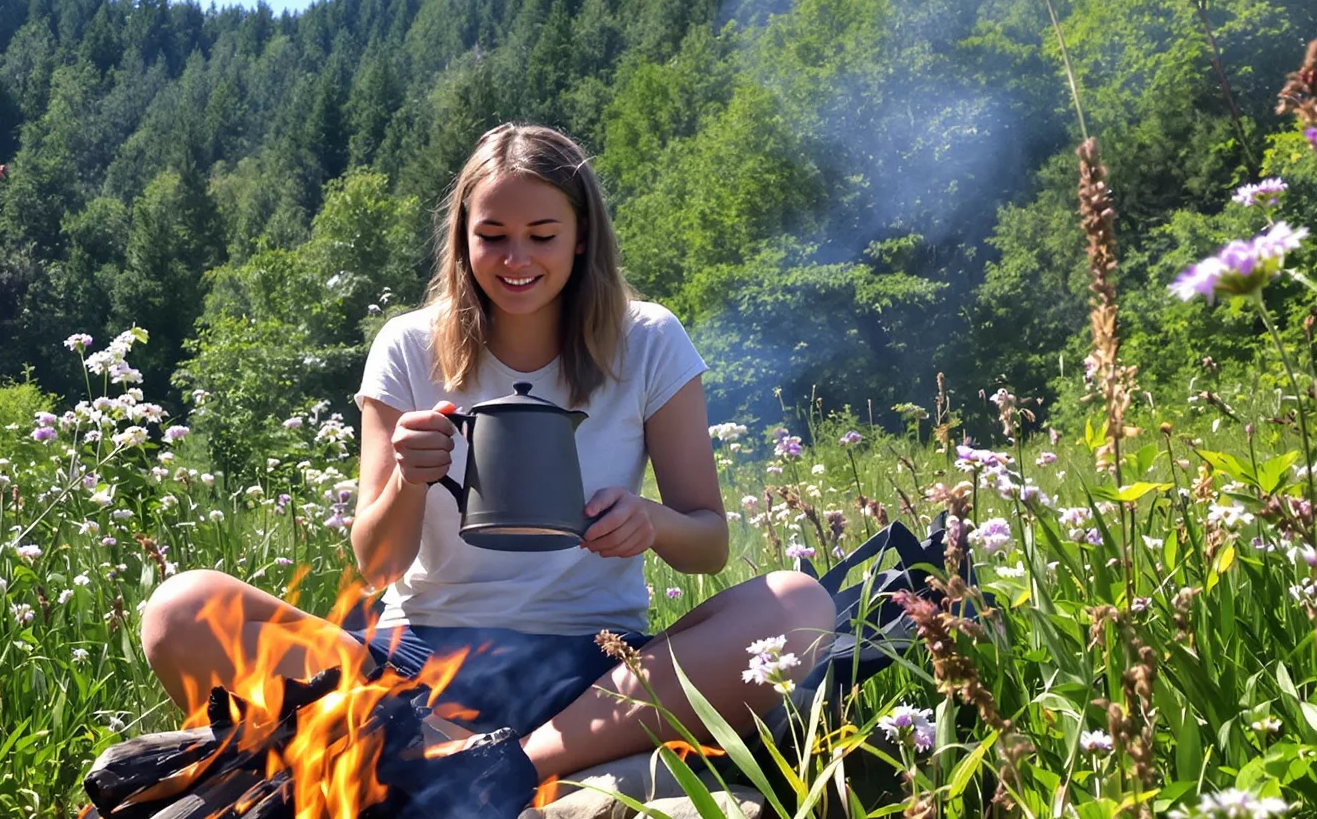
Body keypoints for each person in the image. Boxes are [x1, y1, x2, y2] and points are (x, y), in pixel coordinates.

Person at [140, 122, 838, 781]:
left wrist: (651, 522)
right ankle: (448, 754)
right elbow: (376, 565)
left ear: (582, 236)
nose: (516, 259)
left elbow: (708, 545)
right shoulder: (410, 345)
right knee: (179, 611)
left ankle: (509, 768)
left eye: (541, 234)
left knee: (798, 602)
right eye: (492, 235)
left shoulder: (648, 340)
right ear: (462, 240)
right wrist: (411, 482)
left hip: (593, 672)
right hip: (414, 664)